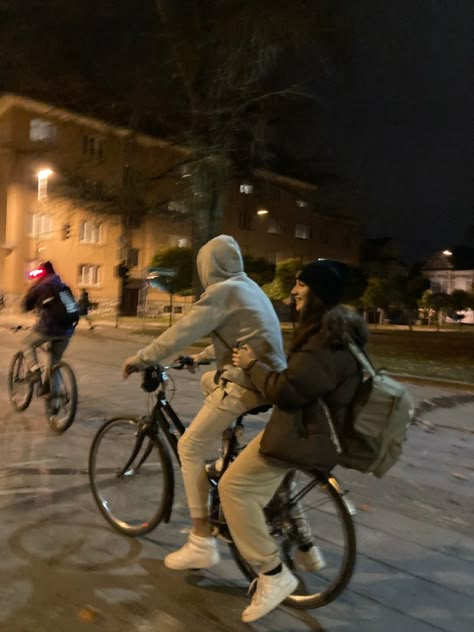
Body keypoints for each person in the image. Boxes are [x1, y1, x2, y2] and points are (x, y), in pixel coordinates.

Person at [122, 234, 287, 569]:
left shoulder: (223, 293)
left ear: (208, 266)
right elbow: (243, 336)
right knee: (206, 380)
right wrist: (203, 357)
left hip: (247, 384)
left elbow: (180, 331)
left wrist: (141, 357)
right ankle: (229, 449)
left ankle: (200, 541)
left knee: (189, 447)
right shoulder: (248, 288)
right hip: (270, 378)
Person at [219, 258, 368, 623]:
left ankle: (273, 574)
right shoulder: (335, 332)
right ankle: (306, 549)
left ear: (317, 293)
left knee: (233, 486)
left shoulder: (324, 341)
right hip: (314, 429)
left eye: (301, 284)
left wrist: (253, 365)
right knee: (272, 486)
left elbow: (287, 391)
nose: (293, 291)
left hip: (303, 433)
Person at [22, 261, 77, 396]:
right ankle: (52, 393)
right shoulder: (63, 286)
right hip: (67, 330)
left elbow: (25, 305)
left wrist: (33, 286)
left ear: (42, 272)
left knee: (27, 343)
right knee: (54, 362)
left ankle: (35, 371)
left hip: (48, 328)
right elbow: (72, 308)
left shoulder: (43, 285)